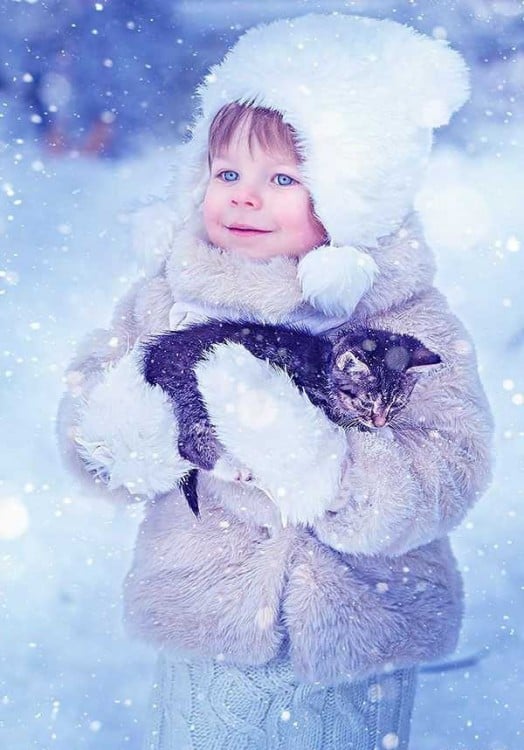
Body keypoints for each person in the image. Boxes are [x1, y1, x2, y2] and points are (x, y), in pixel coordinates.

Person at [57, 14, 493, 750]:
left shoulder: (412, 321)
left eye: (283, 178)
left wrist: (326, 469)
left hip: (359, 635)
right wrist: (133, 427)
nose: (245, 196)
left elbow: (452, 463)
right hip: (210, 625)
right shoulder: (171, 295)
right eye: (227, 173)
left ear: (353, 191)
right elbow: (93, 427)